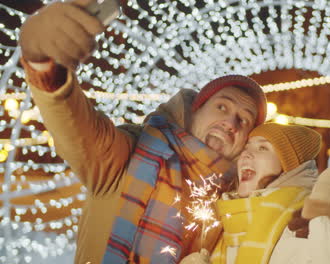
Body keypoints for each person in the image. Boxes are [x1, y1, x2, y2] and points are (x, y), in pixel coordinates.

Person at [18, 0, 270, 263]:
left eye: (244, 120)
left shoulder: (237, 202)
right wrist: (43, 63)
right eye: (222, 106)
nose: (231, 122)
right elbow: (75, 129)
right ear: (194, 110)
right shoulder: (130, 153)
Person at [181, 123, 330, 264]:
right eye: (246, 148)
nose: (246, 154)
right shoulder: (222, 229)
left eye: (262, 148)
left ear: (289, 168)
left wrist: (325, 195)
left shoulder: (301, 227)